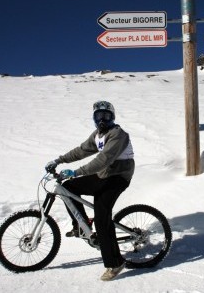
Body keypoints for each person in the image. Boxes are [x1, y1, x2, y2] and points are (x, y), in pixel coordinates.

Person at [45, 100, 134, 281]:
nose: (102, 120)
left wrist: (76, 172)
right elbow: (81, 150)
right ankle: (81, 225)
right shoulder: (98, 135)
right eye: (98, 116)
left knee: (102, 219)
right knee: (67, 187)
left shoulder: (118, 134)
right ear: (94, 118)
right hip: (103, 175)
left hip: (118, 177)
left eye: (106, 116)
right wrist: (59, 160)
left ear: (112, 117)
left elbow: (103, 160)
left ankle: (115, 263)